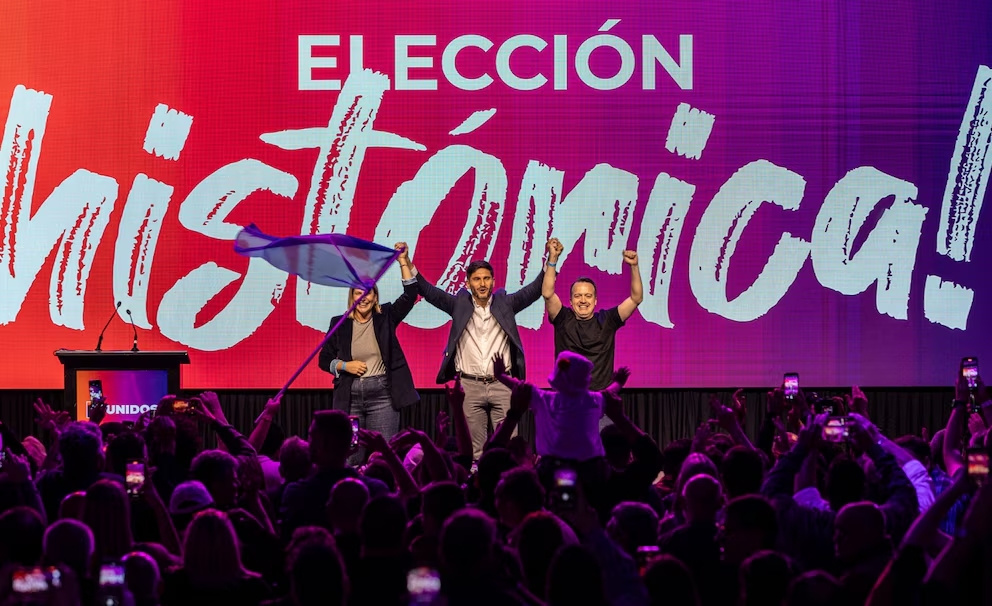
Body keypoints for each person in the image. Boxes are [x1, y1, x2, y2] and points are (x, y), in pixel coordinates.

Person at [406, 244, 548, 459]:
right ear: (468, 283)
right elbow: (428, 291)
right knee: (474, 451)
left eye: (486, 278)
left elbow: (535, 290)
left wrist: (551, 260)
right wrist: (406, 263)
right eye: (477, 279)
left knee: (508, 448)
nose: (482, 284)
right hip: (470, 384)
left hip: (502, 384)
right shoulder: (459, 305)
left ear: (493, 281)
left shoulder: (505, 304)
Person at [318, 243, 420, 463]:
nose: (363, 297)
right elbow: (324, 359)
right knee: (350, 458)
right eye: (358, 292)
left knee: (383, 458)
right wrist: (344, 366)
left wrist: (403, 261)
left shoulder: (386, 317)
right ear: (352, 296)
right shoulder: (339, 323)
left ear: (375, 297)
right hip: (350, 397)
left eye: (368, 292)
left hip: (382, 396)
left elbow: (411, 294)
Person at [542, 238, 642, 397]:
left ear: (595, 301)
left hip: (599, 400)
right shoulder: (563, 318)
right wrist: (553, 259)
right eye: (578, 296)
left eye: (588, 296)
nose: (583, 300)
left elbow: (636, 298)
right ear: (570, 301)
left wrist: (634, 266)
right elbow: (547, 294)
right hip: (566, 399)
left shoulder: (607, 320)